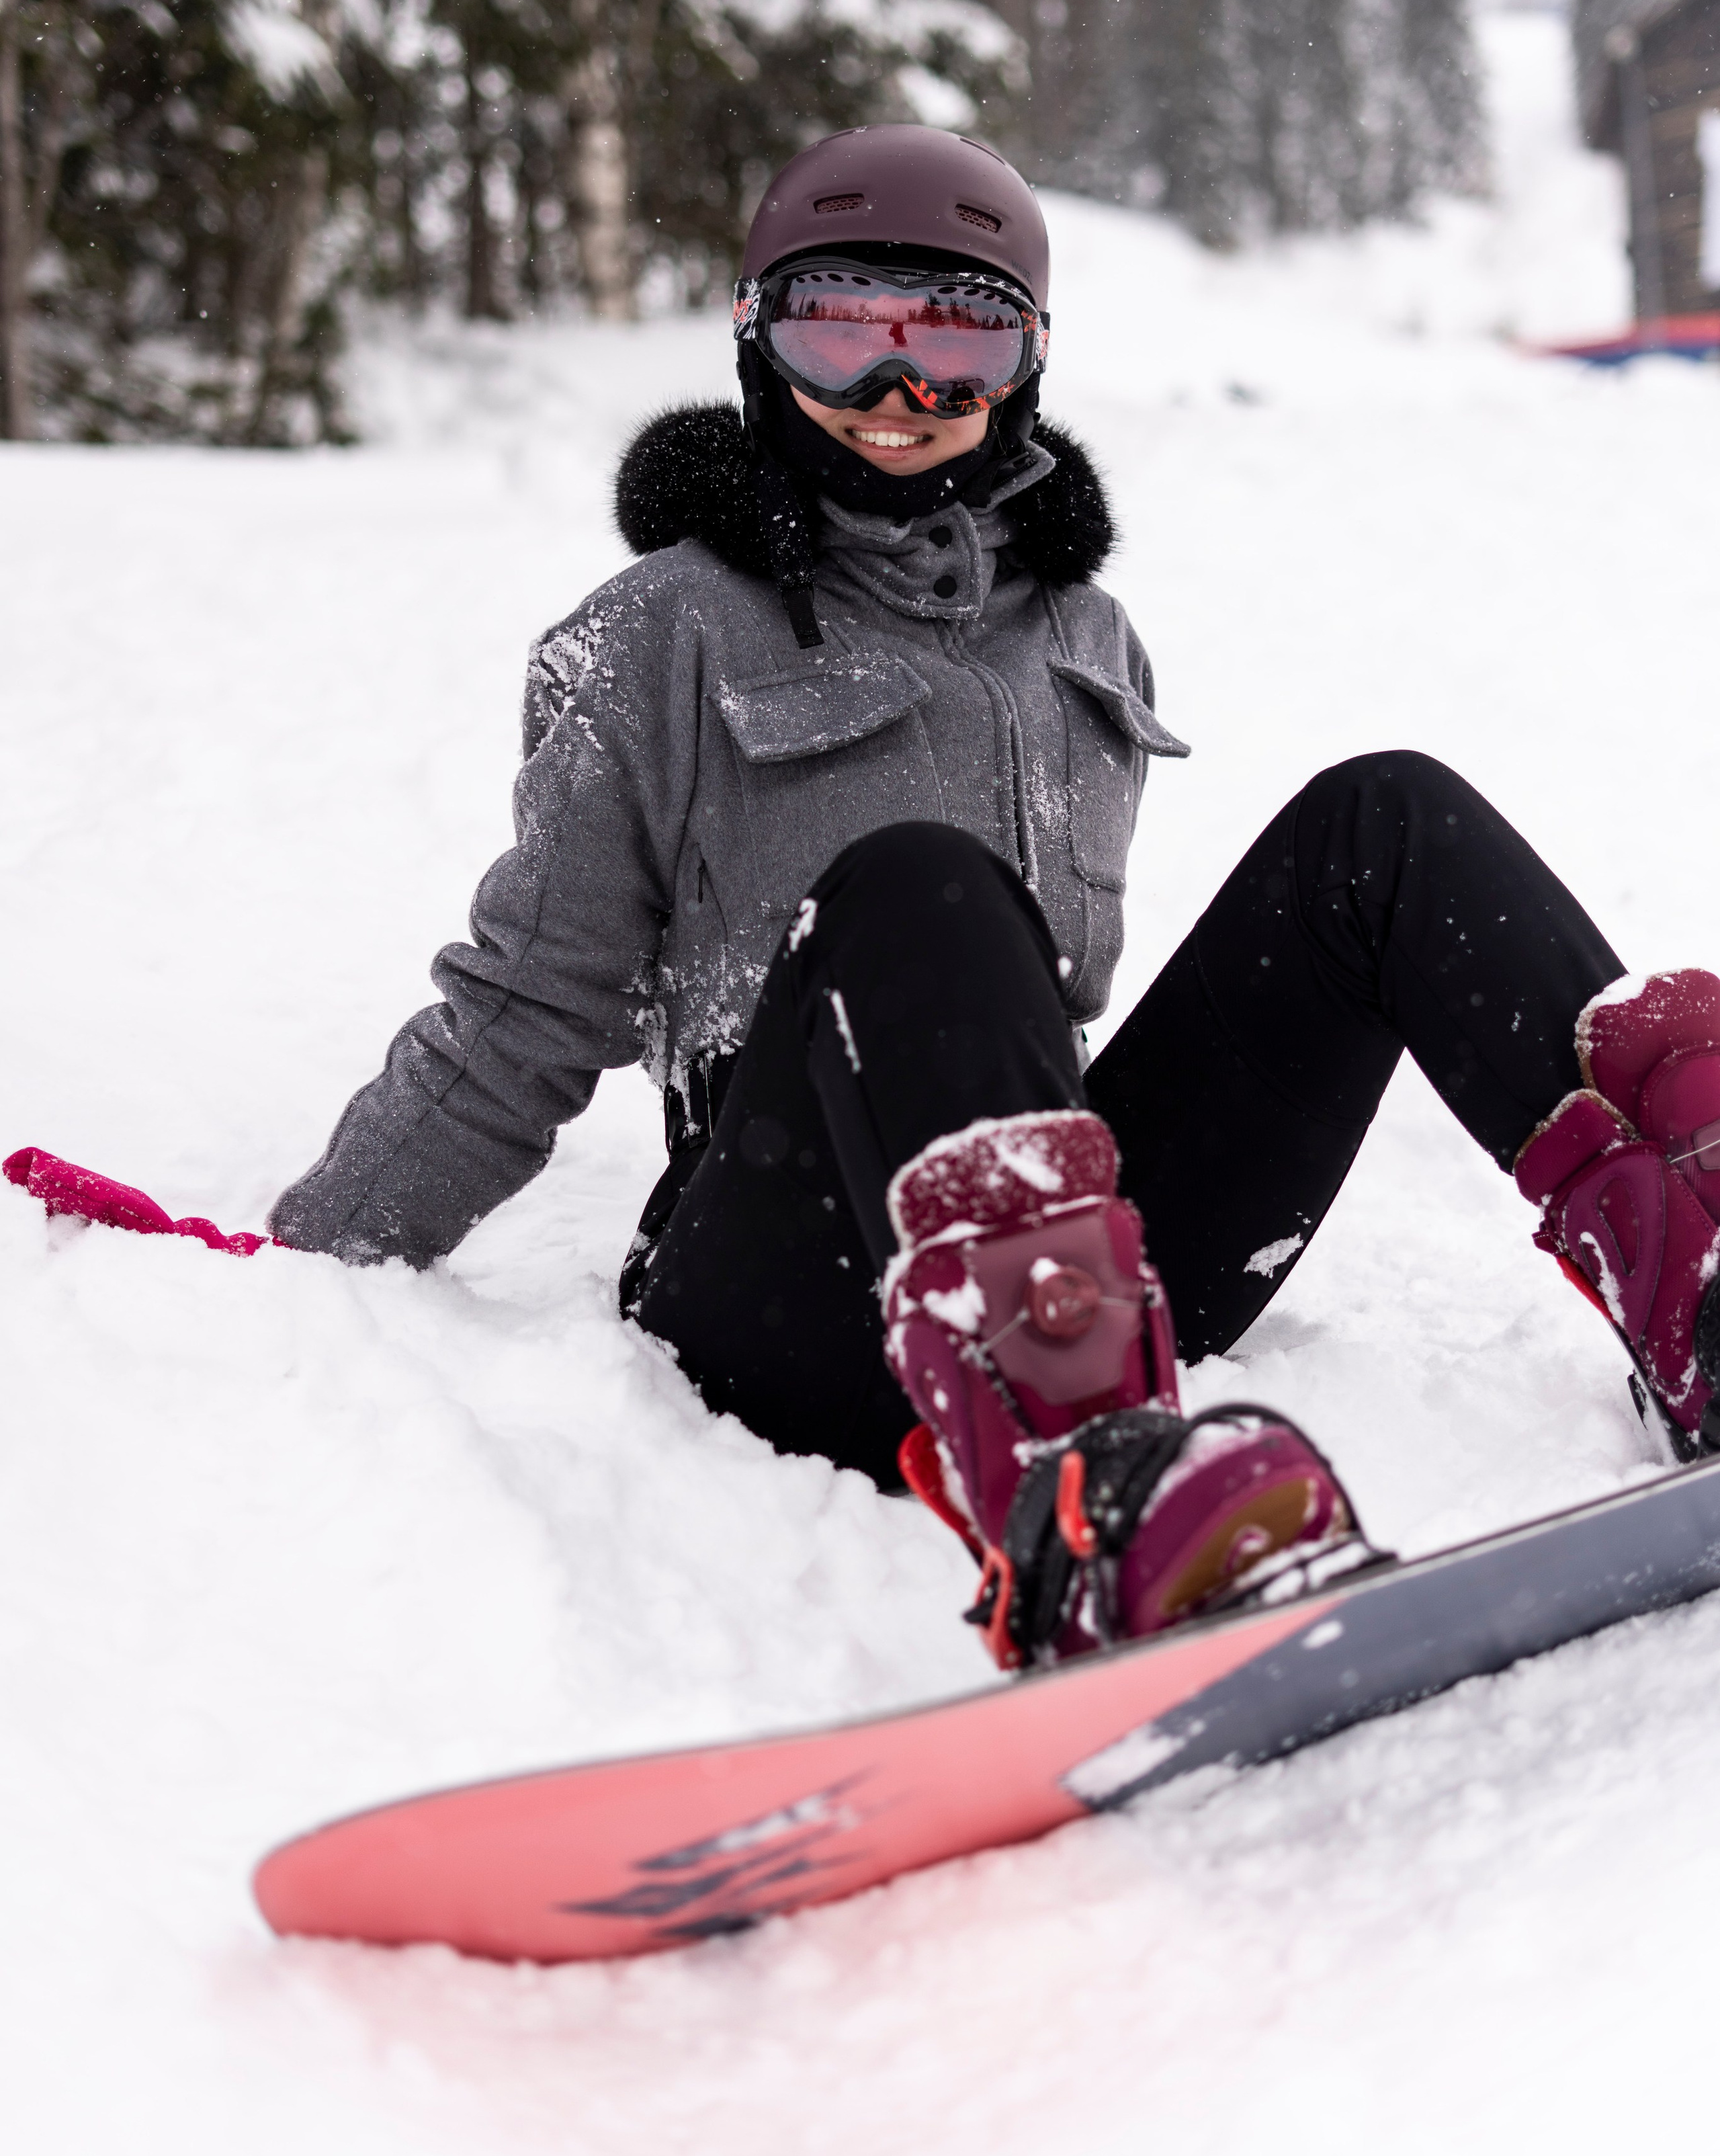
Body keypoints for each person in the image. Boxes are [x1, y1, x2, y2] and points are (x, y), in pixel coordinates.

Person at [69, 125, 1720, 1673]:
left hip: (1067, 1249)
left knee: (1389, 819)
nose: (903, 388)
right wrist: (298, 1266)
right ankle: (1090, 1514)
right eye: (840, 334)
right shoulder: (653, 634)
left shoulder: (1082, 634)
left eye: (965, 342)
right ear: (752, 340)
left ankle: (1697, 1283)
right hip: (786, 1280)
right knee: (926, 889)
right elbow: (525, 1007)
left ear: (1029, 366)